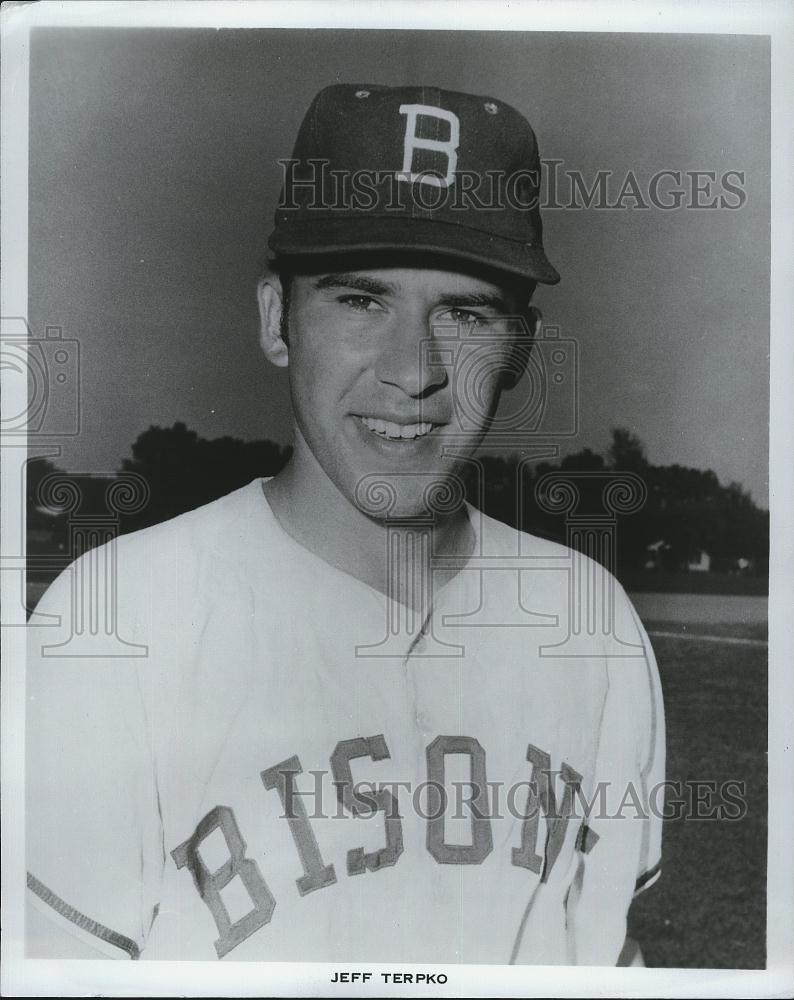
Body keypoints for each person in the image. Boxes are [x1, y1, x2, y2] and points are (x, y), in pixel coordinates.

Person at [26, 83, 664, 965]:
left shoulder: (590, 624)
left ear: (521, 345)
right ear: (275, 318)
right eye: (359, 301)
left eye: (466, 312)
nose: (414, 371)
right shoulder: (115, 622)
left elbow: (605, 959)